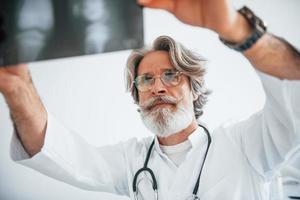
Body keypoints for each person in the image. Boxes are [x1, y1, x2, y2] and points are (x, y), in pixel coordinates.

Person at [0, 0, 299, 199]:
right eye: (146, 79)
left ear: (193, 89)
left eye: (171, 75)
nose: (157, 87)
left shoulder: (247, 143)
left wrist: (237, 29)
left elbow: (294, 96)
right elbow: (57, 151)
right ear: (137, 96)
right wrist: (16, 87)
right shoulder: (133, 160)